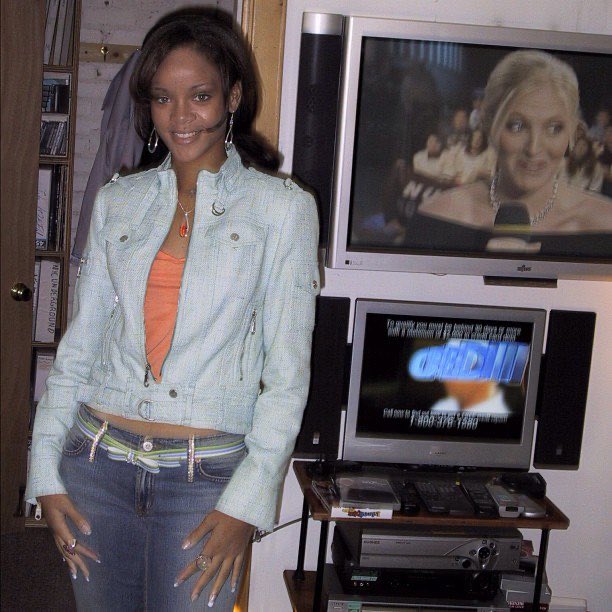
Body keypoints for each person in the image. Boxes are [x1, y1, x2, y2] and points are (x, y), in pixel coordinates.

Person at [25, 8, 320, 611]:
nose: (181, 116)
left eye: (200, 96)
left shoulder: (282, 211)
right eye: (163, 98)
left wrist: (247, 503)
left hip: (205, 484)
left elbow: (288, 377)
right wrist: (45, 473)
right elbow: (80, 347)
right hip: (96, 466)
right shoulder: (120, 202)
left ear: (232, 97)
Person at [411, 50, 612, 256]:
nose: (534, 149)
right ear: (490, 127)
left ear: (572, 133)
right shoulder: (435, 219)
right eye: (517, 126)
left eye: (554, 128)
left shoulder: (605, 226)